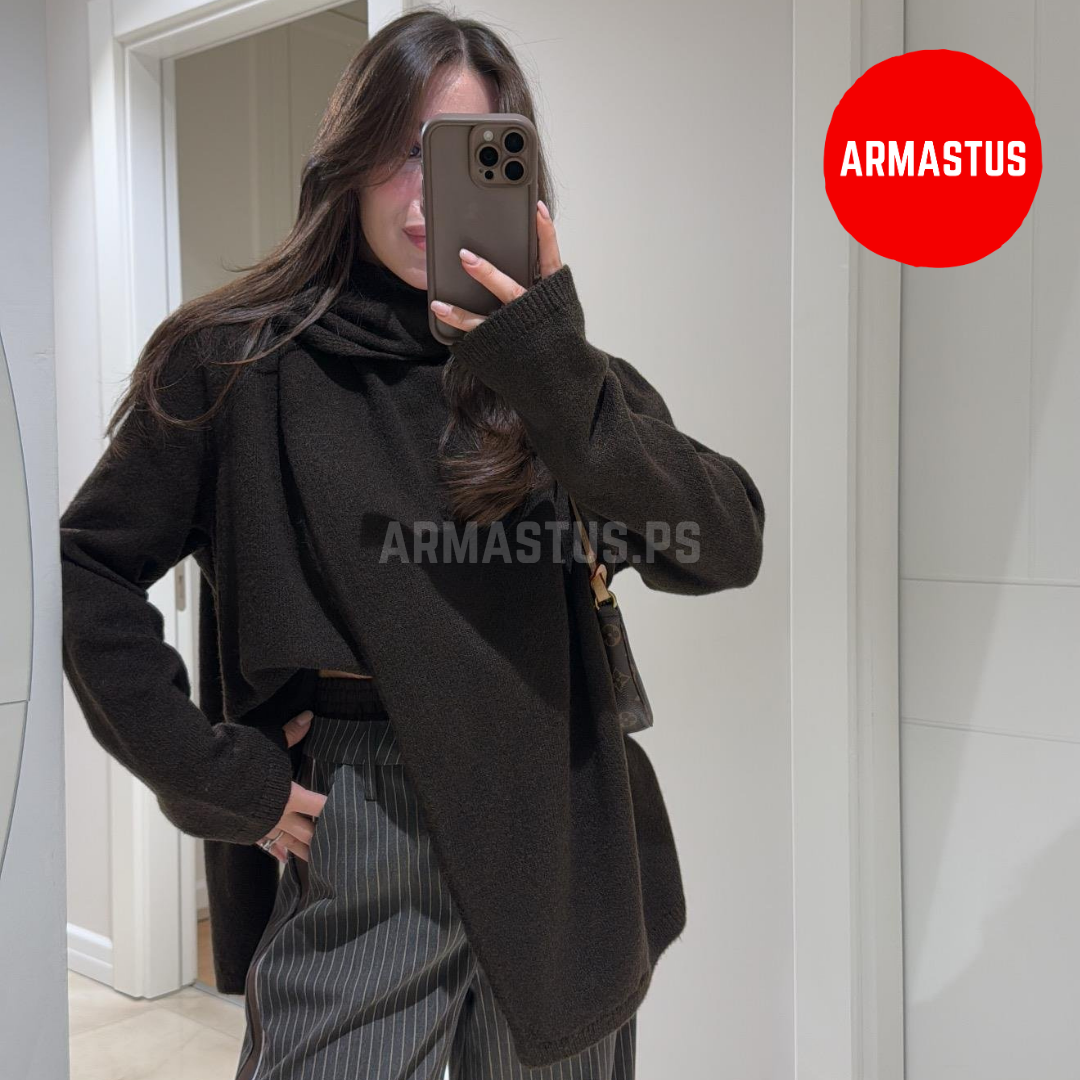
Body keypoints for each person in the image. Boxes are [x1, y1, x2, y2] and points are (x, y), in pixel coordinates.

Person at [59, 8, 766, 1079]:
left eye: (466, 159)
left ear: (520, 181)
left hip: (558, 823)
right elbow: (90, 568)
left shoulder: (554, 377)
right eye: (402, 155)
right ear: (346, 163)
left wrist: (547, 360)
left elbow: (724, 541)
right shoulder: (240, 361)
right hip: (362, 810)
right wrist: (214, 775)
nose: (429, 200)